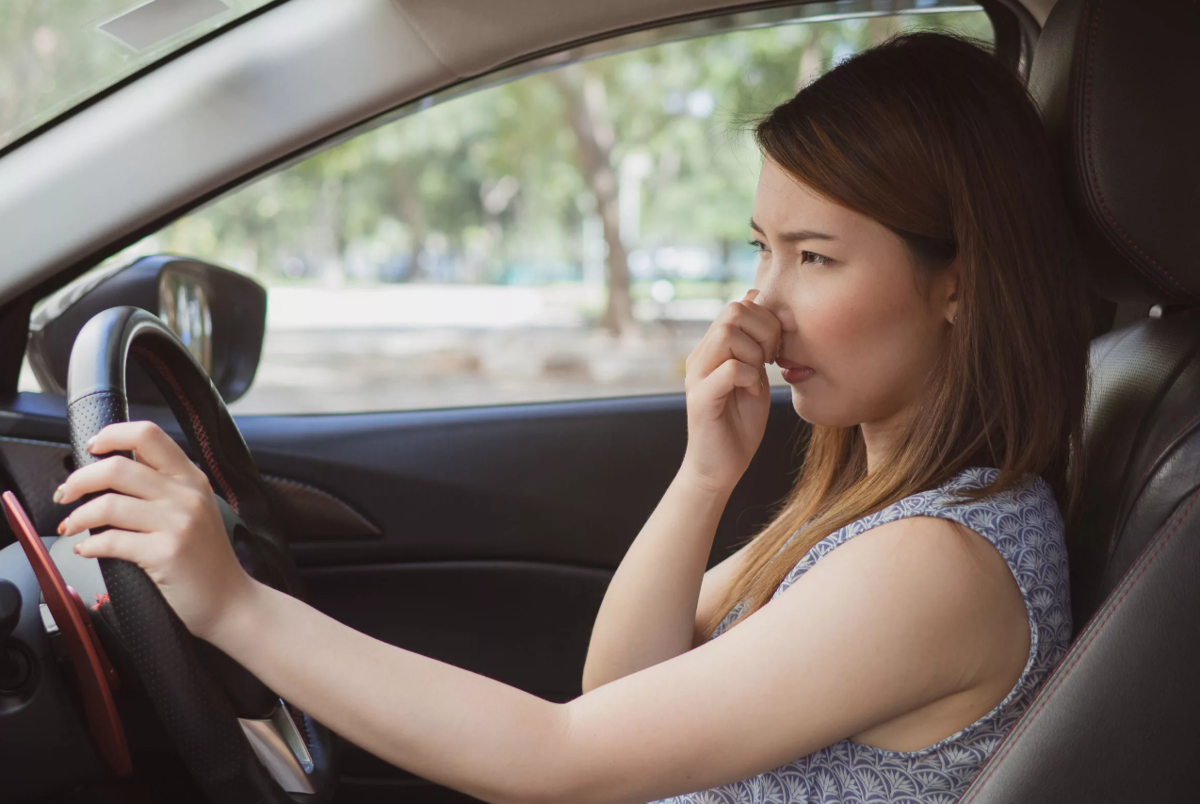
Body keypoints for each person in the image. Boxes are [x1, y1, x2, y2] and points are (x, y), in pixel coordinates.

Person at [52, 31, 1090, 804]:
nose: (759, 305)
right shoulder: (876, 504)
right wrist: (703, 477)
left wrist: (235, 606)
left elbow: (559, 759)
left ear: (958, 281)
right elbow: (619, 685)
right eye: (759, 249)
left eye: (813, 257)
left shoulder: (938, 562)